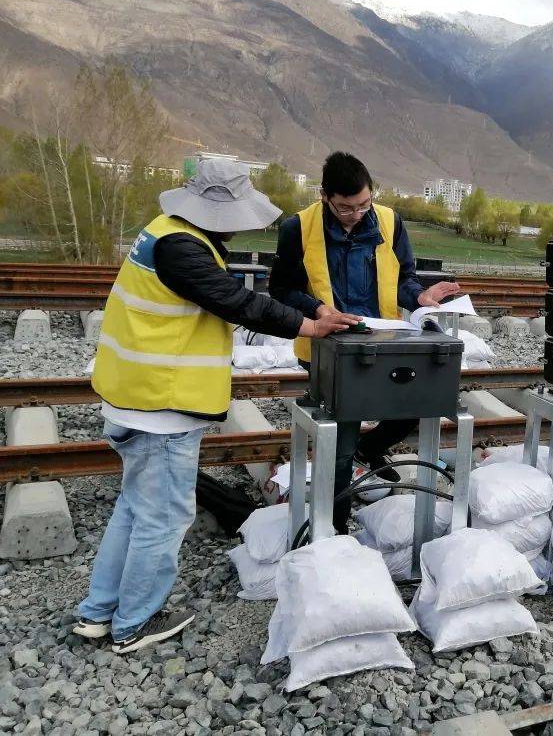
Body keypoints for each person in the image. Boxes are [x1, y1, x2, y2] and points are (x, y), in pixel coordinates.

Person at [76, 159, 359, 654]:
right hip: (158, 408)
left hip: (135, 400)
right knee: (162, 519)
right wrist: (308, 326)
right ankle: (134, 624)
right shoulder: (180, 249)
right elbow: (237, 301)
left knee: (135, 511)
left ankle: (99, 613)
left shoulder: (167, 233)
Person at [270, 152, 460, 532]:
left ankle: (369, 451)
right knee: (341, 441)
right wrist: (319, 308)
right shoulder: (299, 228)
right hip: (328, 347)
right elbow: (282, 289)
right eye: (345, 208)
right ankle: (334, 528)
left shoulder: (390, 221)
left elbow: (404, 279)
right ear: (325, 196)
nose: (356, 214)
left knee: (417, 403)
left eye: (363, 204)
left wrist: (419, 297)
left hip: (384, 339)